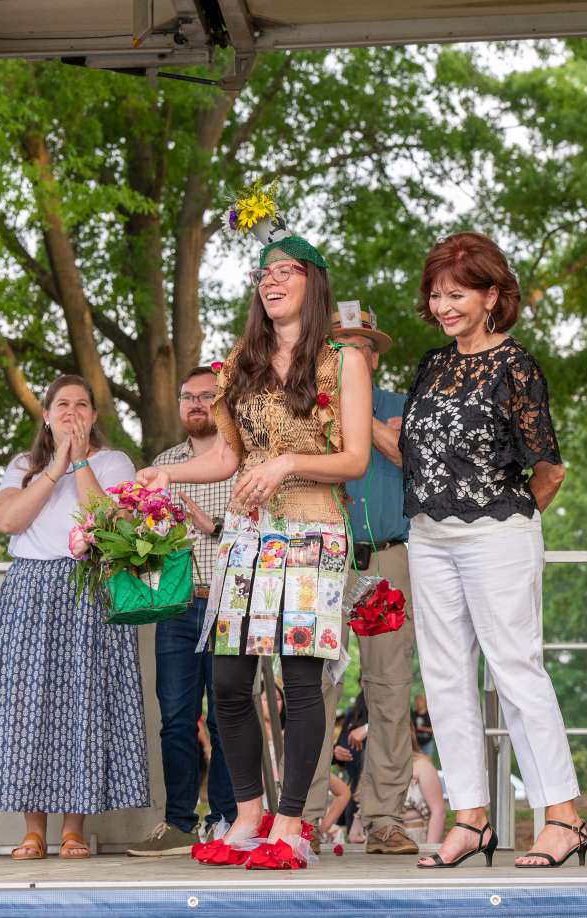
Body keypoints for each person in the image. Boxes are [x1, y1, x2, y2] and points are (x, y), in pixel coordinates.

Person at [138, 220, 373, 870]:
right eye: (263, 273)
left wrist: (287, 464)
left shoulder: (341, 360)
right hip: (248, 538)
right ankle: (247, 816)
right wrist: (170, 472)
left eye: (285, 270)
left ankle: (293, 825)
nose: (271, 280)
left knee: (299, 682)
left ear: (312, 282)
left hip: (313, 530)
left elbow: (355, 459)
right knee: (230, 679)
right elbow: (229, 459)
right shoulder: (239, 362)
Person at [402, 232, 587, 869]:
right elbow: (413, 450)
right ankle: (471, 818)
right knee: (447, 678)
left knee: (515, 669)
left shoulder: (516, 366)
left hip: (497, 532)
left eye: (456, 293)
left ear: (491, 296)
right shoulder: (431, 365)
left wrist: (514, 519)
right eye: (436, 293)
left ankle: (561, 816)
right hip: (428, 535)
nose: (443, 304)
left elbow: (550, 470)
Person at [0, 375, 150, 860]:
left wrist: (81, 463)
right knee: (29, 705)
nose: (72, 411)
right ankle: (32, 830)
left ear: (94, 416)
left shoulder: (114, 462)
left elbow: (113, 520)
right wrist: (55, 466)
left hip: (90, 587)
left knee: (83, 705)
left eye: (82, 405)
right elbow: (9, 521)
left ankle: (74, 828)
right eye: (62, 404)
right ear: (46, 415)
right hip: (31, 590)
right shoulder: (21, 466)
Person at [303, 307, 418, 856]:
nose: (350, 356)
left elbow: (411, 460)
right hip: (320, 559)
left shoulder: (405, 406)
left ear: (373, 358)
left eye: (360, 347)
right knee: (313, 687)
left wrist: (360, 417)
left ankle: (383, 819)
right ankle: (301, 818)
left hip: (387, 561)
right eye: (339, 346)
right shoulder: (304, 407)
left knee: (390, 688)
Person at [128, 367, 238, 856]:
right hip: (177, 608)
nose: (196, 404)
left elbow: (260, 533)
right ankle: (178, 823)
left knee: (227, 718)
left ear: (225, 402)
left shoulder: (241, 460)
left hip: (230, 604)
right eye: (188, 397)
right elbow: (144, 543)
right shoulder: (162, 465)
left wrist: (211, 526)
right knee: (176, 718)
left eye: (207, 397)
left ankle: (228, 819)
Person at [402, 729, 447, 845]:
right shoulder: (373, 767)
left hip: (414, 842)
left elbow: (438, 812)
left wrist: (428, 850)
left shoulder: (422, 766)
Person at [412, 694, 435, 758]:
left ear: (424, 702)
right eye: (416, 701)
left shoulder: (429, 714)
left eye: (420, 701)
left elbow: (434, 729)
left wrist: (422, 728)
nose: (418, 703)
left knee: (428, 762)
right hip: (416, 744)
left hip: (428, 743)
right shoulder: (413, 715)